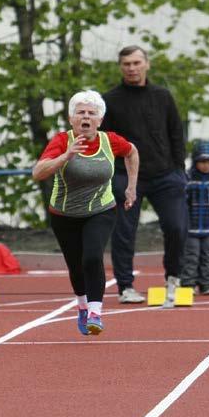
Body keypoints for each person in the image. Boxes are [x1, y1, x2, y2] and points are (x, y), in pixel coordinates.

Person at [33, 90, 139, 335]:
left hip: (101, 210)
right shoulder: (61, 141)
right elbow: (38, 172)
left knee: (92, 257)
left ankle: (95, 312)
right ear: (71, 119)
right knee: (76, 265)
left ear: (100, 120)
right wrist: (66, 156)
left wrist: (132, 187)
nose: (86, 117)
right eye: (81, 112)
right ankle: (81, 306)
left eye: (92, 113)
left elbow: (132, 152)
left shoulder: (110, 140)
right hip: (64, 214)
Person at [99, 45, 187, 306]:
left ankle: (174, 278)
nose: (132, 68)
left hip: (166, 175)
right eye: (126, 64)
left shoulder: (163, 96)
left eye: (137, 62)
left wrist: (179, 170)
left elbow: (176, 133)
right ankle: (126, 286)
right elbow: (103, 141)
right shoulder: (110, 100)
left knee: (176, 227)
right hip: (126, 176)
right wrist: (112, 175)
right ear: (120, 67)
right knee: (124, 233)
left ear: (147, 64)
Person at [180, 139, 209, 296]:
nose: (206, 165)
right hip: (190, 227)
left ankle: (207, 284)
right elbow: (183, 199)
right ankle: (188, 284)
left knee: (208, 256)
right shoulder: (188, 176)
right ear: (195, 161)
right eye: (202, 161)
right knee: (191, 256)